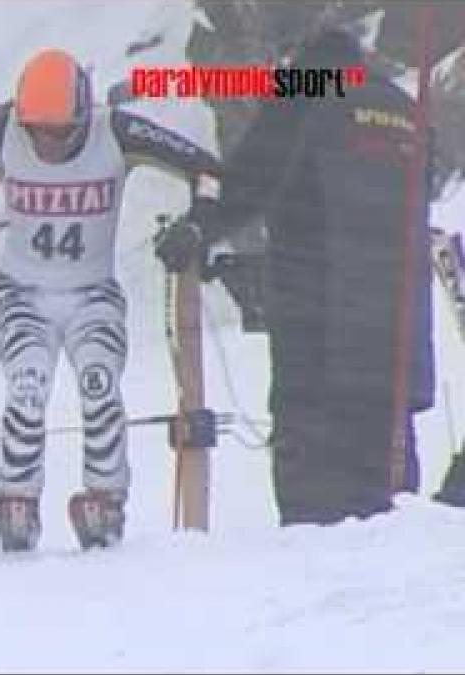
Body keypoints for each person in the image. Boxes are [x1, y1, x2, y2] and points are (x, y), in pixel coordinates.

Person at [0, 48, 221, 552]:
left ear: (83, 117)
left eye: (61, 131)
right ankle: (17, 499)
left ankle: (106, 499)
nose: (47, 142)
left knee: (99, 382)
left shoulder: (117, 131)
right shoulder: (3, 131)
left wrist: (196, 228)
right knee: (27, 384)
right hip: (22, 291)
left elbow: (206, 171)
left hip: (92, 292)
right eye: (37, 129)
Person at [154, 28, 434, 525]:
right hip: (396, 351)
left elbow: (249, 179)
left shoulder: (308, 90)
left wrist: (198, 228)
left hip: (318, 343)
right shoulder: (407, 110)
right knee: (389, 526)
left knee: (319, 523)